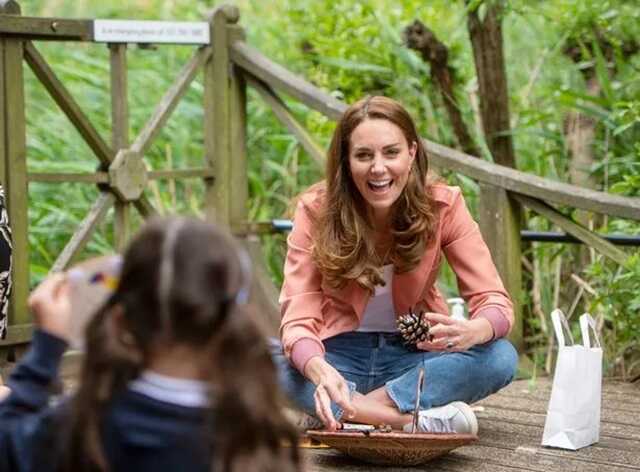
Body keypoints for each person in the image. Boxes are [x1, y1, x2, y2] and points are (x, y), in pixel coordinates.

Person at [272, 96, 518, 434]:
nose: (378, 168)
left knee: (500, 357)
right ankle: (410, 420)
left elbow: (495, 302)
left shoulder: (444, 206)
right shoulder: (315, 211)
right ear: (346, 160)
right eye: (363, 155)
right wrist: (319, 369)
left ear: (412, 153)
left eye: (391, 152)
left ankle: (347, 412)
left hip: (412, 359)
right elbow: (297, 319)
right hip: (336, 358)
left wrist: (476, 329)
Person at [0, 217, 301, 472]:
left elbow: (9, 444)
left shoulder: (83, 423)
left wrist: (46, 351)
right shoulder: (252, 435)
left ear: (120, 321)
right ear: (231, 325)